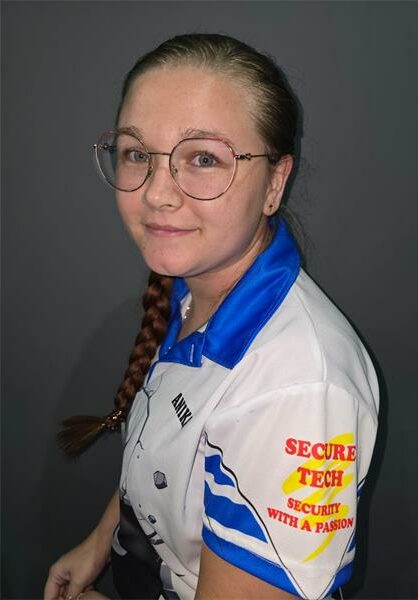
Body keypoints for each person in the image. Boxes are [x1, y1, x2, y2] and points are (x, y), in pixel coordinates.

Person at [44, 33, 379, 600]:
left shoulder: (296, 391)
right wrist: (103, 538)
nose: (157, 193)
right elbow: (174, 454)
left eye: (203, 158)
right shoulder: (194, 290)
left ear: (274, 183)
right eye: (137, 154)